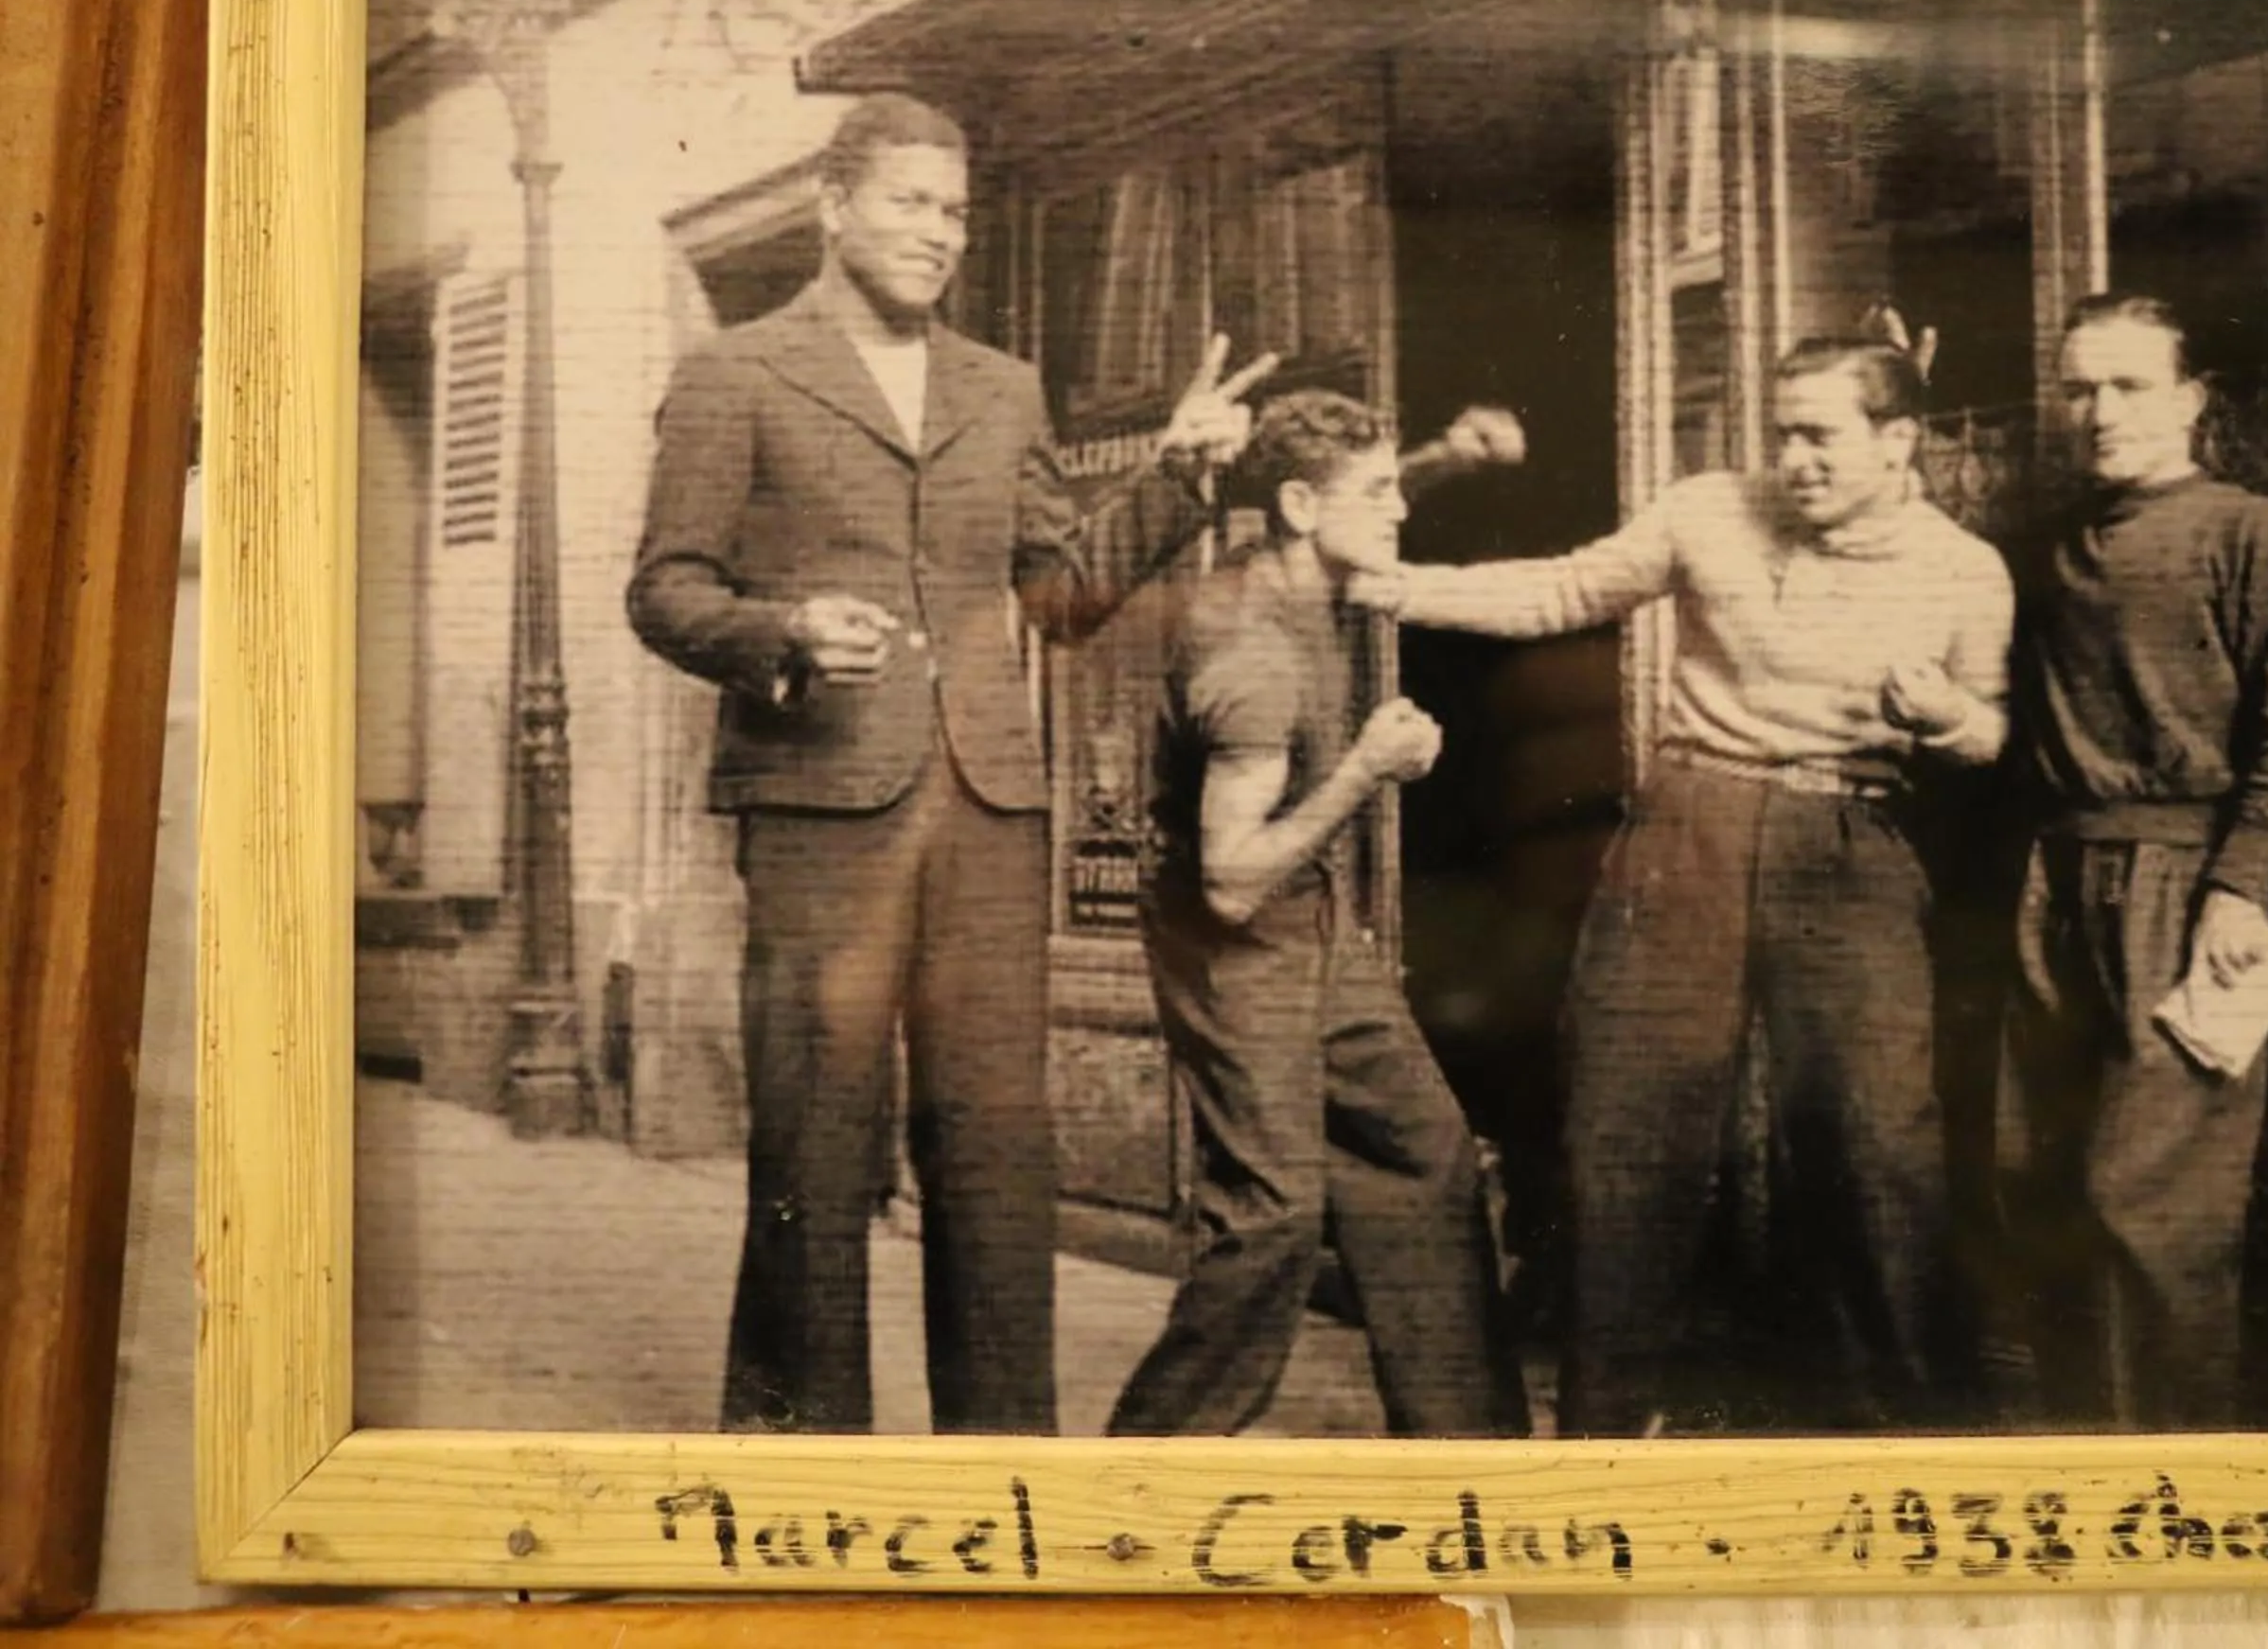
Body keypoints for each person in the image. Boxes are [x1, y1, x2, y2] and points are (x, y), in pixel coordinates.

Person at [625, 92, 1270, 1436]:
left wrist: (1180, 477)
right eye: (912, 203)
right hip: (817, 811)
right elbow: (665, 589)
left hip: (986, 805)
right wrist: (777, 630)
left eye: (958, 212)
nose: (939, 234)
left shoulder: (1001, 383)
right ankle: (807, 1466)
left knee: (995, 1150)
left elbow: (1058, 598)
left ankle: (1001, 1470)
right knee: (816, 1142)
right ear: (835, 204)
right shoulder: (736, 372)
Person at [1356, 321, 2016, 1436]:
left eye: (1820, 436)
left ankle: (1917, 1448)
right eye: (1781, 433)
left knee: (1877, 1150)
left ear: (1898, 439)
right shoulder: (1710, 509)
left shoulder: (1965, 570)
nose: (1792, 459)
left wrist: (1947, 717)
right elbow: (1564, 591)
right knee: (1628, 1132)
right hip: (1689, 827)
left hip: (1852, 845)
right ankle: (1604, 1438)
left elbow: (1988, 731)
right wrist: (1394, 586)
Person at [1108, 389, 1534, 1438]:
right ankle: (1134, 1484)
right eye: (1382, 491)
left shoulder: (1304, 558)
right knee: (1271, 1217)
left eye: (1399, 486)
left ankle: (1474, 1468)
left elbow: (1342, 501)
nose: (1400, 509)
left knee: (1423, 1151)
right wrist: (1366, 770)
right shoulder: (1248, 657)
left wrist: (1444, 454)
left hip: (1310, 919)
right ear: (1300, 506)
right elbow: (1231, 881)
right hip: (1230, 936)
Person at [1999, 290, 2268, 1432]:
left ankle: (2175, 1482)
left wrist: (2237, 883)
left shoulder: (2251, 531)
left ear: (2193, 399)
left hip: (2185, 885)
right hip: (2052, 885)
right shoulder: (2054, 541)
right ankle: (2082, 1474)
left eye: (2129, 386)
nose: (2099, 412)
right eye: (2079, 388)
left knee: (2147, 1203)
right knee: (2039, 1187)